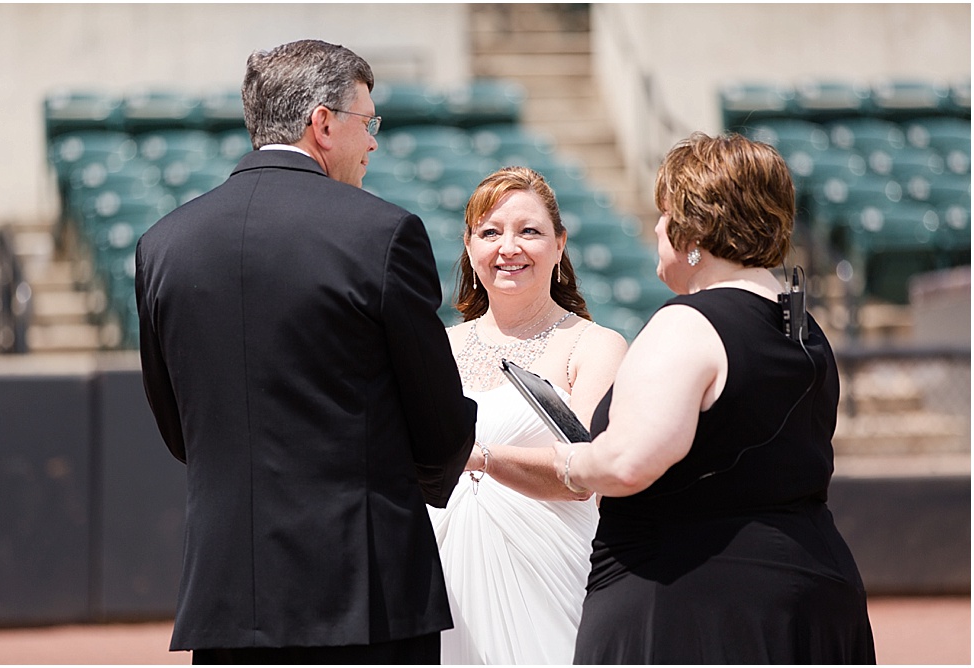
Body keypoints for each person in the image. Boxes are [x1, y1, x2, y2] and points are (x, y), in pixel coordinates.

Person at [135, 39, 477, 664]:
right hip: (363, 596)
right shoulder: (382, 233)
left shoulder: (163, 244)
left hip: (229, 601)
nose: (373, 141)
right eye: (366, 122)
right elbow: (441, 427)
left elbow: (179, 428)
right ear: (323, 123)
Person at [553, 132, 876, 664]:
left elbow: (628, 463)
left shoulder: (688, 323)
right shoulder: (805, 328)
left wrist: (555, 459)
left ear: (693, 229)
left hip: (696, 606)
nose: (657, 227)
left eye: (664, 214)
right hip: (811, 595)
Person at [428, 166, 628, 664]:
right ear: (470, 247)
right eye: (490, 232)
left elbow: (583, 474)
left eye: (530, 232)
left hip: (552, 577)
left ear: (559, 246)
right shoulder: (438, 348)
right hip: (443, 579)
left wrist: (479, 458)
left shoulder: (594, 346)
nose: (508, 247)